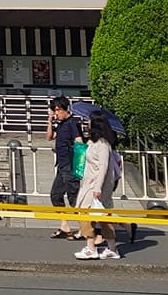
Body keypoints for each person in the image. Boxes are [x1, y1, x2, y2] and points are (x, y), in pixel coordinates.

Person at [74, 117, 121, 261]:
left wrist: (98, 187)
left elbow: (103, 166)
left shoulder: (102, 144)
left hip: (96, 185)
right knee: (102, 215)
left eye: (89, 121)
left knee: (87, 214)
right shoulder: (94, 142)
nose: (87, 123)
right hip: (91, 183)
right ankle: (111, 248)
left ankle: (91, 247)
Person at [46, 96, 84, 240]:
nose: (56, 113)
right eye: (54, 111)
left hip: (70, 164)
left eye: (57, 110)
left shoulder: (73, 123)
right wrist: (50, 122)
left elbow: (79, 142)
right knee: (56, 195)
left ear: (64, 109)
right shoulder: (61, 124)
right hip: (61, 165)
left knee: (73, 197)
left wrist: (79, 166)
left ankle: (84, 228)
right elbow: (50, 137)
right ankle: (64, 225)